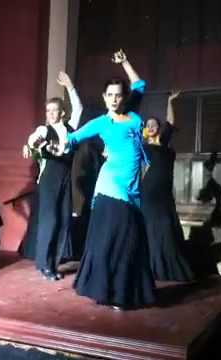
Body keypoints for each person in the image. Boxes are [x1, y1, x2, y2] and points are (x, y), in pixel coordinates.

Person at [53, 50, 155, 310]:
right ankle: (111, 292)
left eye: (118, 95)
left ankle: (120, 290)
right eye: (109, 95)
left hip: (132, 186)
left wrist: (125, 63)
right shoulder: (101, 122)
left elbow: (140, 85)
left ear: (123, 97)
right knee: (121, 236)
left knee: (130, 239)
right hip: (111, 184)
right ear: (104, 98)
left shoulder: (132, 115)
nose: (113, 99)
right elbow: (73, 139)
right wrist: (57, 146)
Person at [22, 71, 83, 281]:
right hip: (49, 178)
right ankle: (44, 264)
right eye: (48, 110)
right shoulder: (43, 129)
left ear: (62, 113)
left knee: (65, 220)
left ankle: (53, 264)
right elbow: (33, 139)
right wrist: (29, 146)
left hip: (65, 178)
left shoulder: (70, 129)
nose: (50, 114)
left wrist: (70, 87)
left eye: (54, 110)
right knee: (50, 220)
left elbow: (79, 108)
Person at [141, 91, 194, 282]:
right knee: (150, 228)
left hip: (164, 193)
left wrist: (171, 101)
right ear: (146, 130)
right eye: (148, 125)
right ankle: (150, 266)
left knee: (166, 227)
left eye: (154, 124)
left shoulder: (164, 144)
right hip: (148, 192)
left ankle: (166, 266)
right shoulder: (142, 147)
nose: (152, 126)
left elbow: (170, 122)